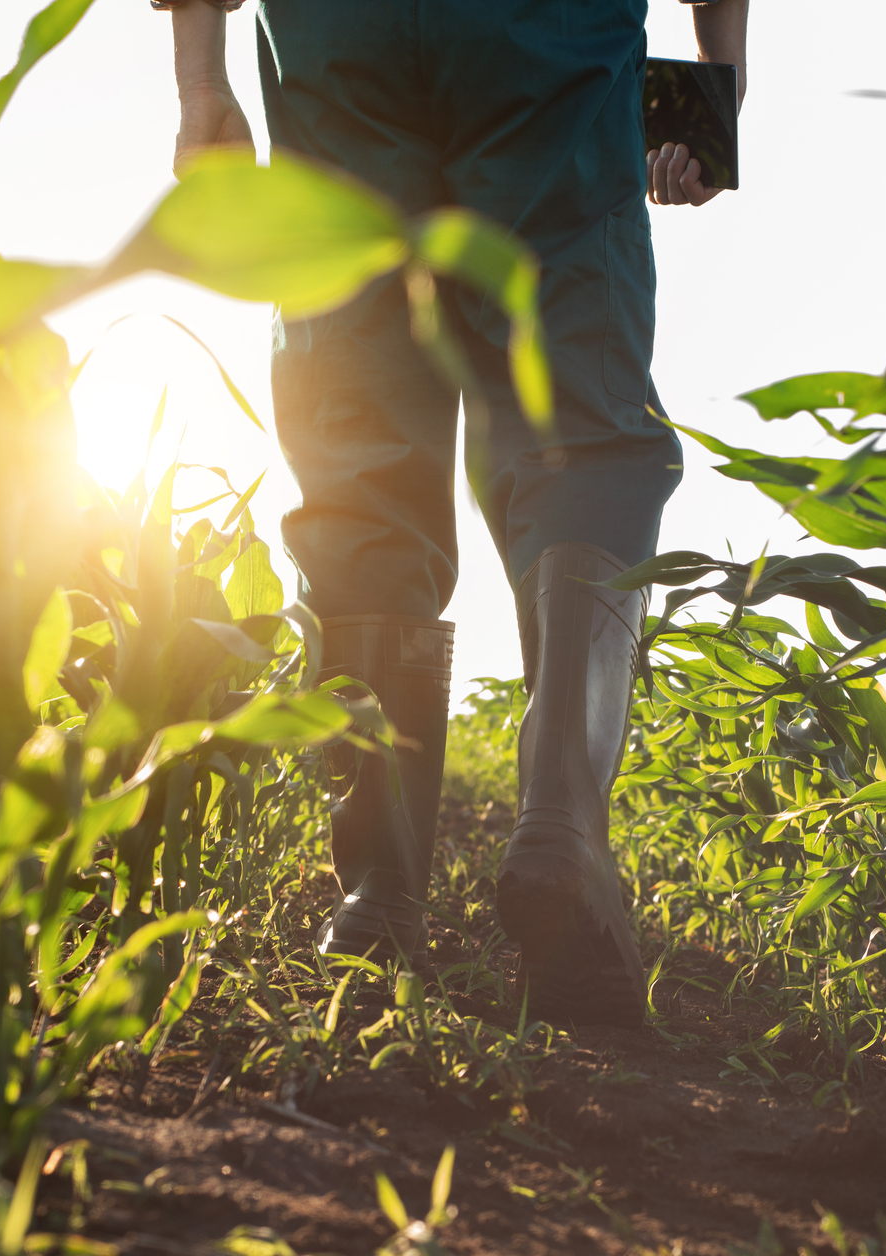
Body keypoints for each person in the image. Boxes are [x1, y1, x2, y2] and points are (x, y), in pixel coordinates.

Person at [154, 0, 750, 1025]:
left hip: (337, 39)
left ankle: (377, 894)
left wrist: (200, 80)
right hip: (544, 36)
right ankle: (562, 833)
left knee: (358, 436)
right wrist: (717, 75)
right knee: (581, 424)